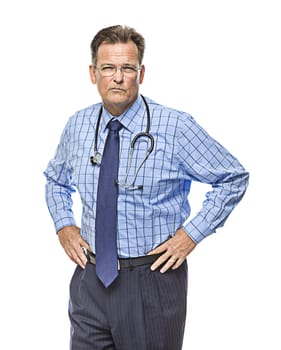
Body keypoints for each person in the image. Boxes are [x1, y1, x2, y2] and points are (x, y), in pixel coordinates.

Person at [44, 24, 249, 350]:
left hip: (151, 281)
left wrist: (190, 234)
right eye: (108, 68)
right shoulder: (78, 125)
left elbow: (233, 177)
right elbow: (55, 180)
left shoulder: (175, 127)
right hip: (90, 280)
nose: (117, 77)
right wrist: (64, 226)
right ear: (92, 72)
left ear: (141, 73)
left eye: (127, 68)